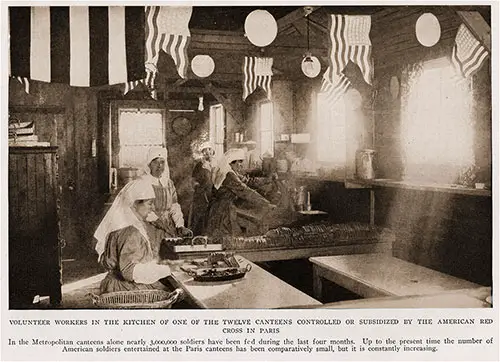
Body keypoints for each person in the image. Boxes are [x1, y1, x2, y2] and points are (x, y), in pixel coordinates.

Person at [95, 178, 172, 293]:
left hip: (115, 284)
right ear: (135, 204)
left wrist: (158, 264)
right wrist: (168, 269)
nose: (153, 208)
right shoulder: (130, 231)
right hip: (126, 289)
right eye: (149, 203)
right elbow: (130, 271)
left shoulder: (123, 223)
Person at [206, 148, 276, 237]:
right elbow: (245, 191)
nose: (241, 165)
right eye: (239, 162)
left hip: (226, 206)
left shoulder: (231, 172)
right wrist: (265, 203)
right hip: (222, 210)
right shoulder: (228, 175)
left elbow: (248, 181)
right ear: (231, 162)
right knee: (228, 236)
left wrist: (267, 180)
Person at [136, 146, 192, 240]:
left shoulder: (168, 183)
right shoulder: (143, 183)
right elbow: (142, 210)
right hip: (150, 227)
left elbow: (174, 206)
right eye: (155, 162)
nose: (159, 166)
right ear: (149, 164)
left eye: (162, 162)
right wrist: (160, 223)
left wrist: (180, 225)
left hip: (168, 227)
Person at [189, 141, 215, 235]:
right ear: (202, 153)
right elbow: (193, 180)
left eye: (209, 149)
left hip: (213, 194)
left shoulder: (216, 165)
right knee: (199, 219)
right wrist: (197, 186)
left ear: (213, 151)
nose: (208, 152)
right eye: (205, 150)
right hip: (201, 196)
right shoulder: (199, 165)